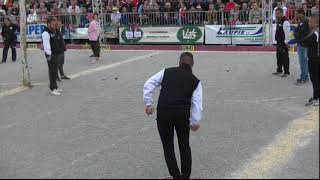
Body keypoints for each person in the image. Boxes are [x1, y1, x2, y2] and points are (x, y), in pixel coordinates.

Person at [143, 52, 203, 179]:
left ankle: (176, 176)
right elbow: (197, 103)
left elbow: (149, 84)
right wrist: (195, 122)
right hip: (182, 114)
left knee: (168, 145)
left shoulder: (166, 72)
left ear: (179, 62)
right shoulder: (195, 81)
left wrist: (148, 104)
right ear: (192, 65)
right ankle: (185, 176)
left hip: (164, 112)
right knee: (184, 145)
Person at [300, 12, 319, 106]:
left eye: (310, 21)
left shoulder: (315, 33)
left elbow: (305, 42)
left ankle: (317, 98)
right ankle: (316, 96)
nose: (308, 23)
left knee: (316, 79)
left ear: (316, 23)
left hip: (316, 59)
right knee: (314, 78)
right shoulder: (314, 31)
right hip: (313, 58)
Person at [42, 17, 64, 96]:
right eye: (53, 24)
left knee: (55, 71)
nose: (55, 25)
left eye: (55, 24)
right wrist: (49, 55)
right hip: (50, 54)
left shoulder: (54, 31)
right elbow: (46, 45)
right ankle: (52, 89)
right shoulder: (46, 33)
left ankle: (55, 86)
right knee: (52, 71)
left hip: (55, 53)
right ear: (48, 23)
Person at [273, 8, 291, 77]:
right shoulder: (279, 20)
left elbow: (287, 33)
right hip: (279, 42)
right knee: (279, 57)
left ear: (281, 13)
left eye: (277, 14)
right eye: (275, 14)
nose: (276, 15)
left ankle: (287, 72)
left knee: (285, 57)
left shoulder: (285, 21)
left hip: (283, 43)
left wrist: (286, 42)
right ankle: (279, 70)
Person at [294, 9, 310, 85]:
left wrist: (297, 34)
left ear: (301, 13)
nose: (296, 15)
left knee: (303, 61)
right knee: (303, 61)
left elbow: (302, 32)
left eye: (297, 14)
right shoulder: (301, 21)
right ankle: (304, 76)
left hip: (304, 44)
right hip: (301, 43)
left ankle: (304, 77)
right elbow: (298, 31)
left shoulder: (305, 21)